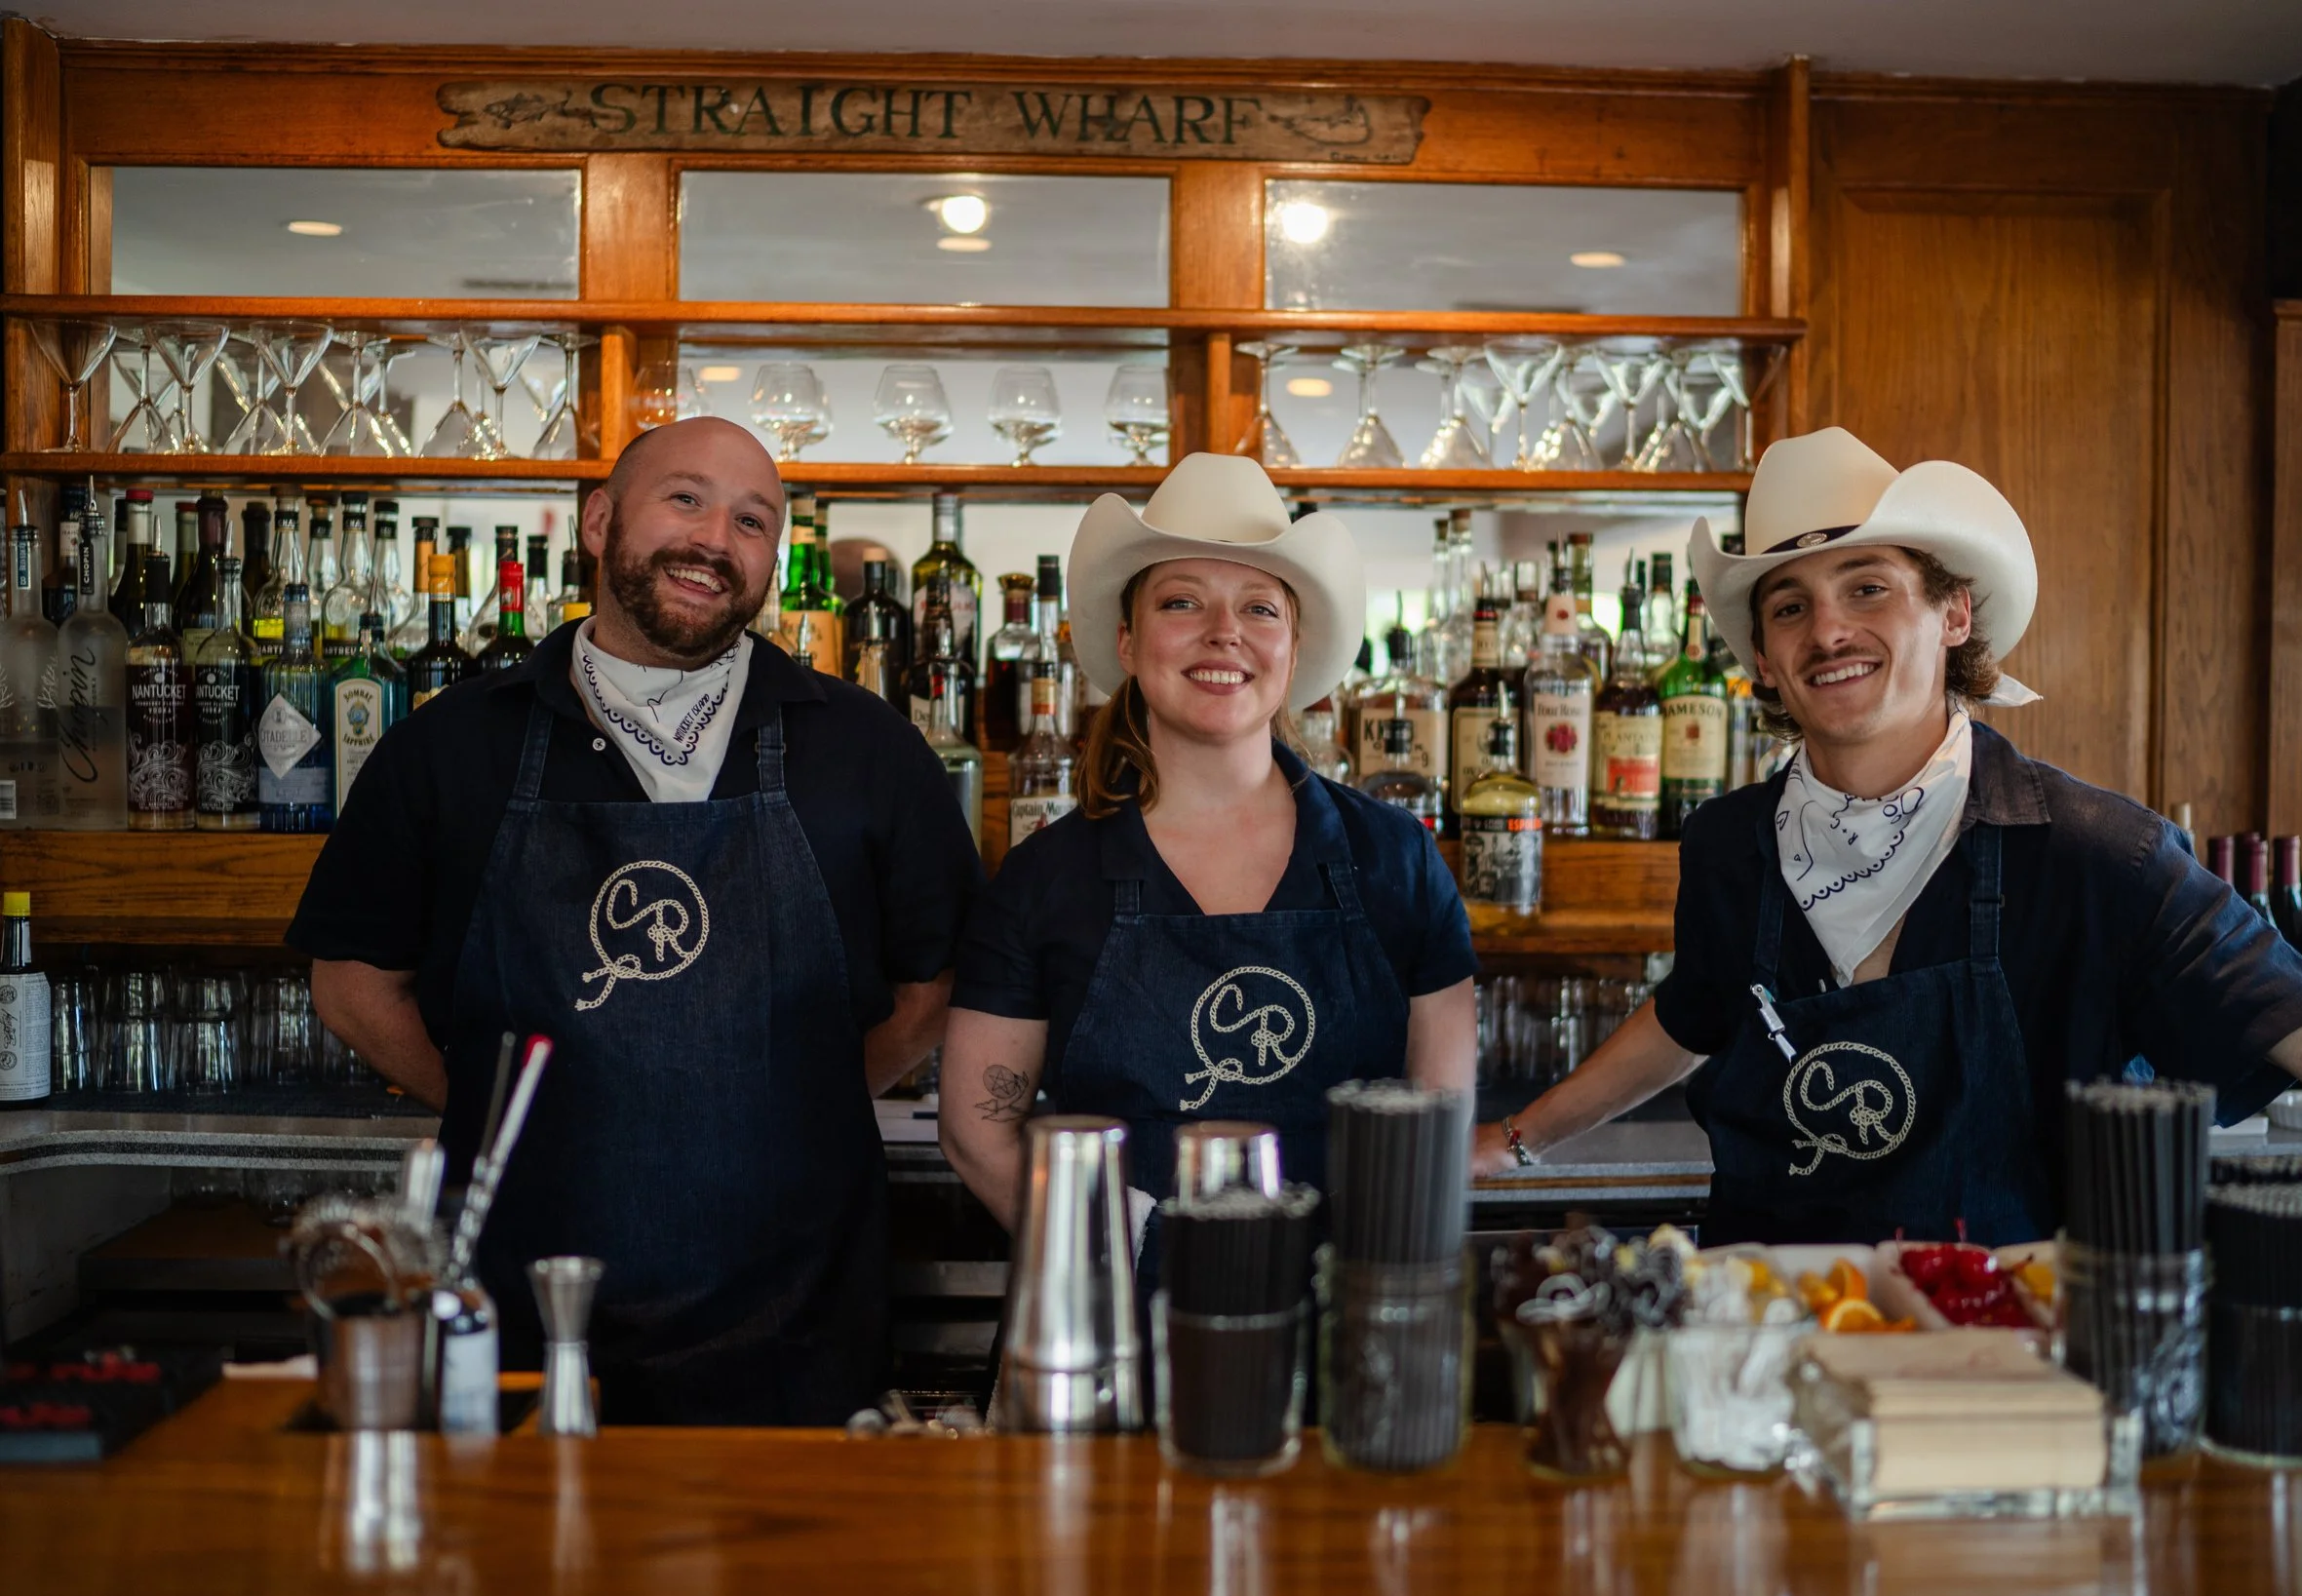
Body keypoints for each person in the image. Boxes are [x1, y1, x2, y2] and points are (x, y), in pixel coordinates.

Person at [1471, 427, 2302, 1244]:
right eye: (1790, 604)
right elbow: (1692, 1012)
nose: (1828, 630)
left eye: (1867, 587)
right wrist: (1516, 1137)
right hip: (1763, 1351)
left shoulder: (2096, 853)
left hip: (2009, 1375)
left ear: (1953, 613)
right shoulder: (1730, 842)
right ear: (1763, 659)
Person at [293, 417, 982, 1423]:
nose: (715, 537)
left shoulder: (864, 747)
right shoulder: (452, 744)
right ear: (600, 518)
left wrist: (795, 1105)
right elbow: (351, 984)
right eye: (686, 498)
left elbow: (940, 987)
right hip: (520, 1317)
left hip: (796, 1318)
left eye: (753, 520)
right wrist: (514, 1114)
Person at [940, 453, 1478, 1256]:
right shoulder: (1045, 878)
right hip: (1117, 1335)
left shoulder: (1395, 859)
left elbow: (1437, 1122)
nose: (1224, 631)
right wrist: (1122, 1263)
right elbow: (976, 1129)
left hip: (1342, 1325)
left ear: (1293, 651)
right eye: (1182, 601)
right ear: (1127, 640)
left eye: (1259, 607)